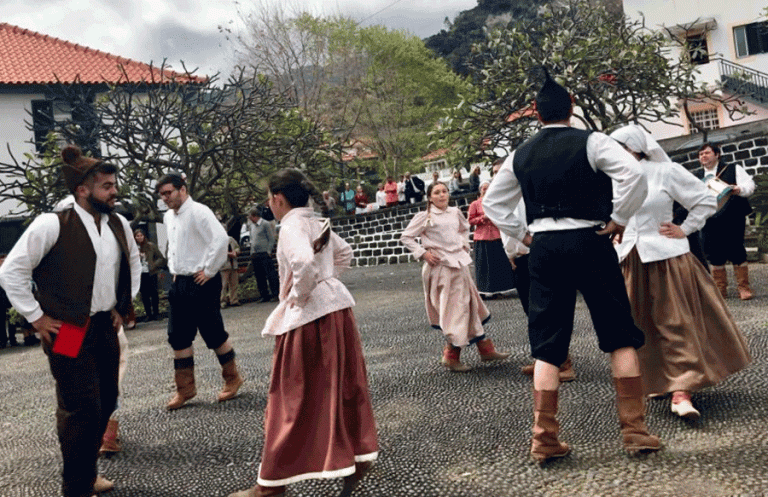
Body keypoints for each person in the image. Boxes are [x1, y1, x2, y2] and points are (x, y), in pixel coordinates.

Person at [483, 68, 660, 463]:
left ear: (535, 111)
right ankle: (635, 431)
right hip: (591, 240)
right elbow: (633, 175)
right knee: (619, 334)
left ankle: (544, 438)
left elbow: (494, 203)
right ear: (573, 107)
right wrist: (619, 219)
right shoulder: (593, 141)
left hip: (545, 246)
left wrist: (525, 235)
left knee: (547, 346)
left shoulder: (519, 154)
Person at [0, 144, 141, 496]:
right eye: (106, 186)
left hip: (105, 326)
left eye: (114, 184)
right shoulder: (52, 224)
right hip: (68, 330)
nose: (114, 192)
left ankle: (87, 471)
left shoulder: (119, 224)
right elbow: (12, 271)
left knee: (107, 400)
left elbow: (133, 264)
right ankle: (76, 486)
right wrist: (36, 318)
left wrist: (121, 306)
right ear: (83, 190)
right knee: (79, 406)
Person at [228, 169, 378, 497]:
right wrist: (328, 281)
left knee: (289, 397)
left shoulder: (292, 225)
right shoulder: (317, 221)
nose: (269, 203)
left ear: (278, 199)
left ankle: (271, 485)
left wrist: (299, 296)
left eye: (270, 198)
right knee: (341, 386)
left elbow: (304, 265)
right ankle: (357, 457)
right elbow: (344, 255)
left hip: (310, 317)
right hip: (337, 311)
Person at [610, 124, 751, 420]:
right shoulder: (612, 178)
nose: (616, 155)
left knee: (674, 321)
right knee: (640, 323)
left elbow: (704, 199)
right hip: (630, 259)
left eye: (621, 148)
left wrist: (684, 228)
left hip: (665, 257)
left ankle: (682, 390)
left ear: (635, 147)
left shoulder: (665, 171)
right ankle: (660, 380)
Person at [400, 181, 510, 372]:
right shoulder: (425, 216)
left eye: (444, 191)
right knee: (454, 310)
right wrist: (423, 253)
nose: (442, 195)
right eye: (437, 192)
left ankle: (483, 349)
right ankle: (452, 355)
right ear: (430, 197)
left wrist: (463, 245)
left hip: (459, 264)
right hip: (441, 267)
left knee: (469, 305)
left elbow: (463, 228)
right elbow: (406, 237)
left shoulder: (455, 212)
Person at [157, 173, 244, 411]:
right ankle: (185, 389)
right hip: (180, 281)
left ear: (182, 189)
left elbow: (220, 239)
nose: (165, 198)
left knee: (213, 331)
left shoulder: (199, 211)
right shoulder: (167, 217)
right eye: (162, 194)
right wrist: (174, 271)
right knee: (177, 334)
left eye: (169, 192)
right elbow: (173, 247)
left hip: (202, 281)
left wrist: (209, 270)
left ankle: (232, 377)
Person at [696, 143, 756, 300]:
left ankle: (744, 288)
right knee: (714, 253)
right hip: (710, 219)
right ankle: (720, 289)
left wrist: (738, 189)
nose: (703, 156)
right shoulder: (696, 176)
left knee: (736, 249)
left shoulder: (733, 168)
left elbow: (750, 185)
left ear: (717, 154)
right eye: (701, 154)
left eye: (707, 153)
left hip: (732, 216)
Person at [467, 181, 516, 299]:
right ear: (480, 190)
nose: (485, 190)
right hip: (482, 236)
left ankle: (500, 288)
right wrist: (482, 218)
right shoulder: (475, 204)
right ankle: (484, 290)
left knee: (498, 264)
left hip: (496, 235)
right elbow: (470, 220)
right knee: (484, 265)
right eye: (483, 188)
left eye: (488, 188)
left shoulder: (496, 203)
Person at [248, 206, 280, 303]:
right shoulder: (251, 226)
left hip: (264, 253)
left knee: (271, 274)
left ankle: (275, 294)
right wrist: (251, 252)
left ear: (255, 216)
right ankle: (264, 295)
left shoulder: (265, 224)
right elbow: (251, 239)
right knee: (259, 276)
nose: (249, 219)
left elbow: (271, 238)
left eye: (250, 217)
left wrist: (269, 251)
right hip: (255, 253)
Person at [134, 229, 165, 321]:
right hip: (140, 274)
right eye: (137, 236)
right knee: (144, 295)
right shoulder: (133, 248)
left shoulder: (151, 246)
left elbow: (161, 258)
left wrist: (153, 264)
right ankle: (148, 314)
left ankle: (156, 313)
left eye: (141, 235)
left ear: (144, 236)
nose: (139, 237)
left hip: (151, 272)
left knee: (154, 293)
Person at [0, 254, 18, 348]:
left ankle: (12, 338)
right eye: (2, 259)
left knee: (12, 320)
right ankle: (3, 340)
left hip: (10, 298)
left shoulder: (8, 271)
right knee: (1, 321)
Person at [220, 233, 241, 308]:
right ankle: (222, 301)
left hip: (233, 265)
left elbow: (237, 247)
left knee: (234, 284)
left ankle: (234, 300)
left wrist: (236, 252)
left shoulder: (231, 239)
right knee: (223, 285)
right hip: (224, 266)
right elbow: (218, 252)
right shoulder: (217, 240)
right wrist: (229, 254)